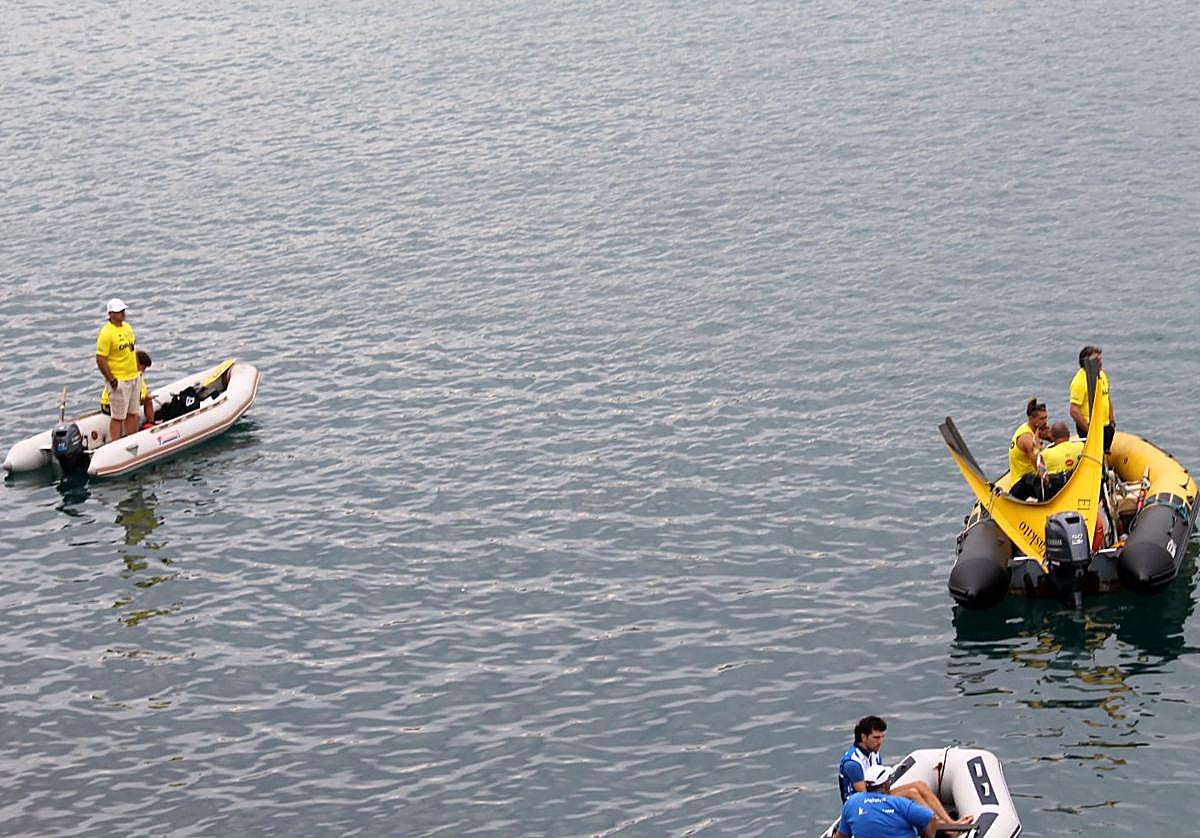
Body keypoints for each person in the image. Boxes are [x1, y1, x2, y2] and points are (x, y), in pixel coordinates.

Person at [837, 716, 972, 827]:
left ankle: (949, 822)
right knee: (911, 793)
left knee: (920, 785)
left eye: (882, 737)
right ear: (863, 737)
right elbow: (865, 795)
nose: (880, 742)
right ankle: (942, 827)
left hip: (877, 794)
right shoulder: (853, 764)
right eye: (876, 738)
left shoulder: (873, 753)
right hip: (861, 805)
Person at [835, 764, 953, 838]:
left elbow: (841, 836)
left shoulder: (852, 803)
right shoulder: (899, 803)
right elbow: (931, 818)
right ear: (886, 785)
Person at [95, 298, 142, 441]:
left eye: (123, 311)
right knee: (118, 416)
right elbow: (100, 359)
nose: (122, 313)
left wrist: (138, 371)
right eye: (119, 311)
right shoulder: (106, 333)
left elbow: (132, 350)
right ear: (110, 314)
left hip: (133, 377)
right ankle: (116, 442)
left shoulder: (127, 327)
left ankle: (132, 439)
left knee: (133, 412)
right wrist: (111, 379)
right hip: (119, 379)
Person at [1069, 345, 1115, 452]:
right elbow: (1074, 410)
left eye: (1100, 359)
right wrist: (1089, 430)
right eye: (1096, 360)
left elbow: (1107, 397)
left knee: (1105, 452)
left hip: (1105, 424)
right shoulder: (1079, 381)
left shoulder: (1102, 375)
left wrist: (1112, 421)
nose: (1100, 363)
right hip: (1090, 426)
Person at [1008, 397, 1049, 501]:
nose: (1045, 421)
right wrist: (1048, 481)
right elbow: (1038, 464)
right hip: (1021, 485)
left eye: (1046, 418)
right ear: (1032, 419)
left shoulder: (1031, 428)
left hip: (1027, 477)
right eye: (1042, 419)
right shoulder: (1027, 438)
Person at [101, 349, 155, 428]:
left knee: (147, 401)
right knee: (133, 414)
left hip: (124, 401)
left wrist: (145, 397)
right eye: (143, 367)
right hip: (108, 404)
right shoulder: (127, 374)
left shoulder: (136, 375)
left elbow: (141, 390)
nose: (143, 371)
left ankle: (151, 424)